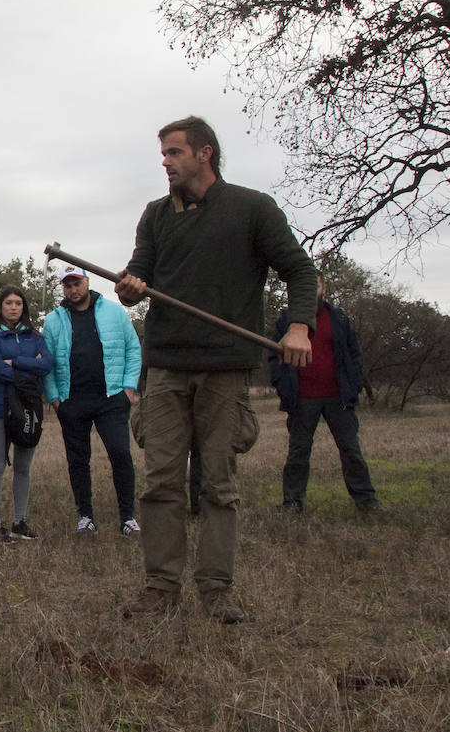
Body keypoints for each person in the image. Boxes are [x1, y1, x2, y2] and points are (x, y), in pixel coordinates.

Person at [115, 116, 316, 624]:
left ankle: (217, 593)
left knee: (219, 486)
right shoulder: (155, 215)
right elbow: (138, 272)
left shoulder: (252, 209)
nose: (166, 162)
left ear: (205, 154)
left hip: (225, 367)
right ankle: (160, 590)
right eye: (163, 154)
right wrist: (129, 287)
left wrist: (299, 328)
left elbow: (299, 268)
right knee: (160, 482)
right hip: (165, 366)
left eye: (174, 153)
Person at [43, 264, 143, 539]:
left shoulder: (113, 311)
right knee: (78, 461)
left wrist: (129, 388)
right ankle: (85, 517)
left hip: (111, 398)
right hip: (72, 401)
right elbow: (48, 363)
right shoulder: (53, 320)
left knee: (121, 454)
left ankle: (127, 517)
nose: (73, 290)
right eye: (68, 285)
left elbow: (133, 349)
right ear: (63, 288)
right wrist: (54, 398)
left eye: (77, 283)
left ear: (87, 283)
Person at [270, 274, 379, 513]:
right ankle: (292, 504)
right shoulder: (286, 320)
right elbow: (274, 356)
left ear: (323, 287)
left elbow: (354, 355)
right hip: (302, 399)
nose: (311, 289)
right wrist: (283, 386)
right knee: (298, 453)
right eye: (304, 284)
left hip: (337, 397)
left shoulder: (338, 318)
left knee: (351, 450)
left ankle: (366, 501)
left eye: (315, 284)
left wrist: (354, 385)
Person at [0, 285, 53, 543]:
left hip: (29, 407)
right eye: (8, 303)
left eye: (18, 303)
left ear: (24, 307)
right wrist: (29, 371)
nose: (13, 307)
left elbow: (47, 364)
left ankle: (19, 522)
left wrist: (19, 363)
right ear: (0, 306)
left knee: (23, 467)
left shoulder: (34, 335)